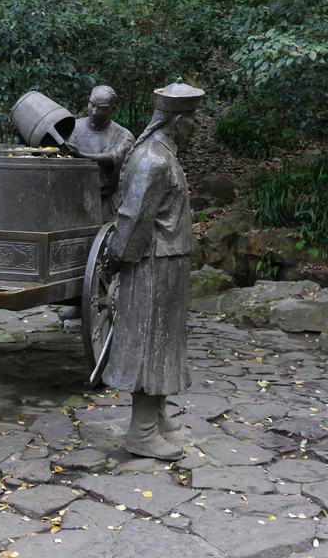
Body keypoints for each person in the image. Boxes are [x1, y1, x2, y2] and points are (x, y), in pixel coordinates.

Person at [102, 78, 204, 461]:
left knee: (164, 339)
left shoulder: (163, 155)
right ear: (175, 121)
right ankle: (141, 431)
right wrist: (118, 260)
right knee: (149, 341)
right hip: (152, 265)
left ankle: (156, 415)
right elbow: (132, 219)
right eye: (191, 119)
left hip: (168, 262)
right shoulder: (154, 159)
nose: (193, 126)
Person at [58, 85, 133, 321]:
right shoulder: (74, 128)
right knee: (74, 251)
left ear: (111, 109)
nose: (93, 110)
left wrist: (82, 156)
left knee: (105, 252)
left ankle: (103, 301)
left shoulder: (123, 135)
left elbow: (113, 159)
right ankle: (76, 301)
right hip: (76, 200)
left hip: (106, 200)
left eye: (100, 108)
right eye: (91, 104)